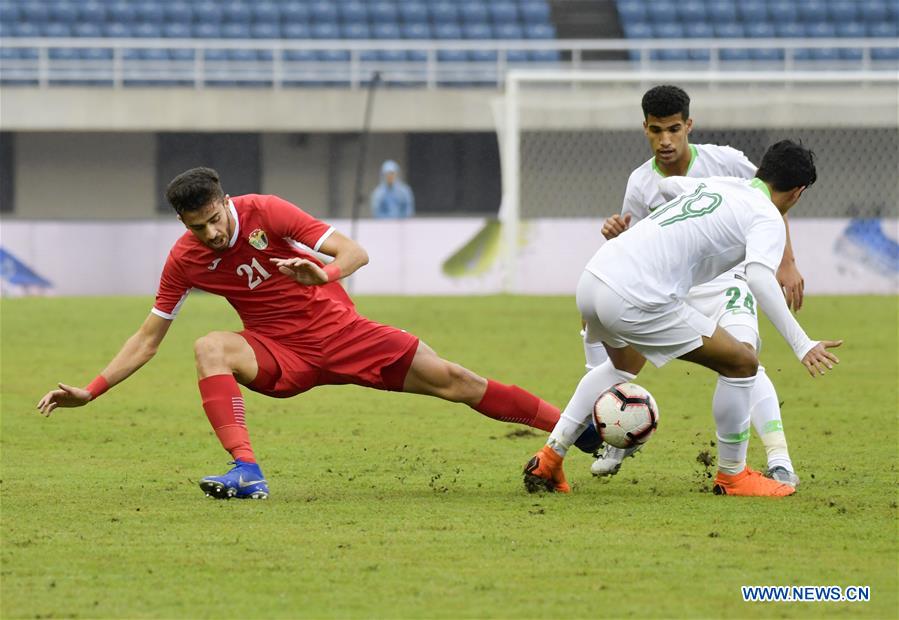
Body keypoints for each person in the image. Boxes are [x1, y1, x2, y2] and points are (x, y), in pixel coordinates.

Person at [36, 167, 595, 500]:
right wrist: (93, 388)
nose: (209, 233)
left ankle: (578, 432)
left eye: (214, 219)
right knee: (209, 345)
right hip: (282, 356)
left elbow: (355, 251)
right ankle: (247, 474)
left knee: (458, 381)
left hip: (344, 333)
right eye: (196, 227)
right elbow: (148, 337)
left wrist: (322, 272)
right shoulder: (185, 259)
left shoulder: (268, 212)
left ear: (227, 201)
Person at [524, 140, 842, 497]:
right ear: (798, 192)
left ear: (763, 170)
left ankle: (551, 455)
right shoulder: (768, 216)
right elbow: (758, 277)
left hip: (595, 277)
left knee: (622, 365)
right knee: (742, 363)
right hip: (634, 295)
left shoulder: (720, 184)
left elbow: (668, 185)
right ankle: (733, 476)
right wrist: (802, 344)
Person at [587, 85, 805, 487]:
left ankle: (778, 458)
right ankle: (619, 432)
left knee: (745, 357)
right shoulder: (639, 182)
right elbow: (637, 239)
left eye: (673, 130)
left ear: (689, 126)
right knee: (621, 358)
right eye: (656, 131)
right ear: (645, 130)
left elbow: (772, 205)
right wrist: (615, 233)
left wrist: (786, 263)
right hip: (670, 288)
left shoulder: (727, 161)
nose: (665, 140)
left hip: (728, 282)